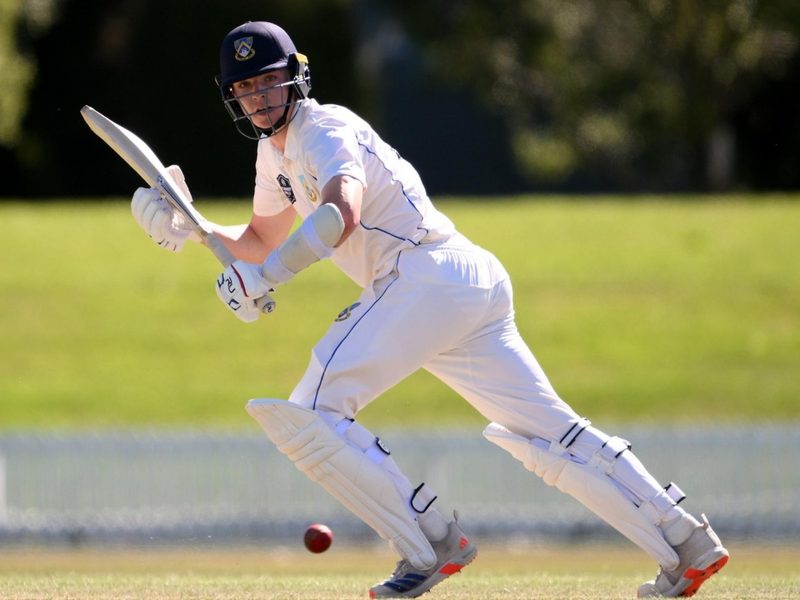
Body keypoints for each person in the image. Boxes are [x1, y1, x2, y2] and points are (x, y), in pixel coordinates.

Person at [130, 21, 729, 598]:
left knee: (311, 411)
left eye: (267, 80)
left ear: (296, 76)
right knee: (552, 433)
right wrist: (194, 226)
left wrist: (268, 277)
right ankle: (685, 541)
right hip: (461, 282)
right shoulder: (273, 155)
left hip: (424, 276)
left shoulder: (325, 128)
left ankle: (431, 543)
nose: (257, 97)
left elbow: (341, 215)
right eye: (244, 88)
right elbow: (261, 239)